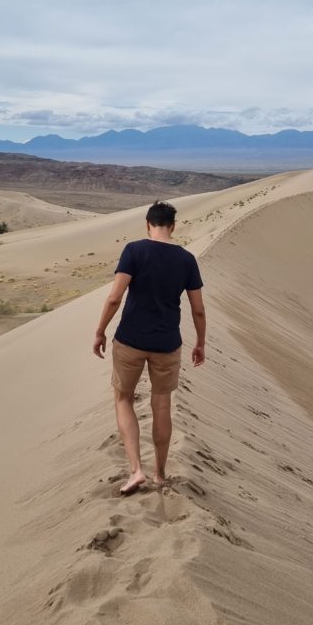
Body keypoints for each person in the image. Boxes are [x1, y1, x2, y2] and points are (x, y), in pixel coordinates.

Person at [93, 201, 206, 494]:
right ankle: (159, 473)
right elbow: (198, 310)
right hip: (167, 344)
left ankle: (136, 470)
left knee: (123, 400)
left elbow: (115, 297)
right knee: (162, 406)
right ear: (173, 226)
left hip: (130, 340)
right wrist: (200, 342)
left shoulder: (134, 250)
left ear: (147, 224)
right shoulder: (187, 259)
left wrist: (100, 331)